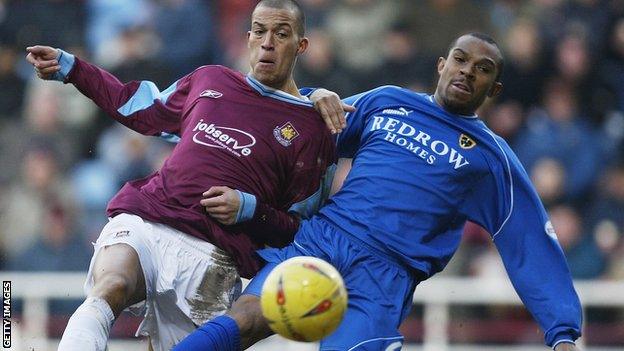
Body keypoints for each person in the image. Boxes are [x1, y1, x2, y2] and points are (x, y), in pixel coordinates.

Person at [173, 33, 582, 351]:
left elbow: (528, 239)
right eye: (460, 59)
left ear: (493, 89)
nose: (467, 71)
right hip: (323, 240)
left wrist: (562, 330)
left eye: (483, 68)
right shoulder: (386, 101)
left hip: (386, 273)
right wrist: (314, 97)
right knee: (245, 319)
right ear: (442, 64)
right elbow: (305, 136)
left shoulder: (492, 159)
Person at [25, 1, 349, 350]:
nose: (268, 42)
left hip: (213, 260)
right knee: (111, 287)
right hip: (149, 217)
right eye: (259, 31)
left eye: (281, 34)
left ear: (301, 45)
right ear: (248, 37)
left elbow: (300, 232)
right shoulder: (210, 79)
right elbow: (135, 106)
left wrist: (250, 209)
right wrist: (72, 68)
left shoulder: (312, 131)